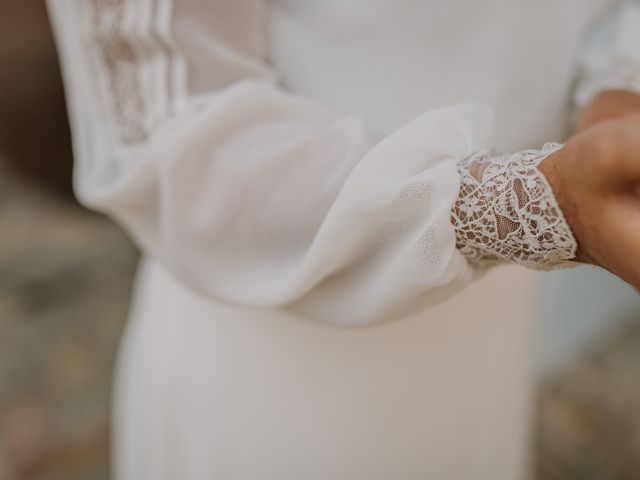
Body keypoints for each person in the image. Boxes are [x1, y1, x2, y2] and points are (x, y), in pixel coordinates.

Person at [47, 0, 640, 478]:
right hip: (281, 337)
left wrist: (618, 108)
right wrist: (532, 206)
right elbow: (179, 137)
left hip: (491, 318)